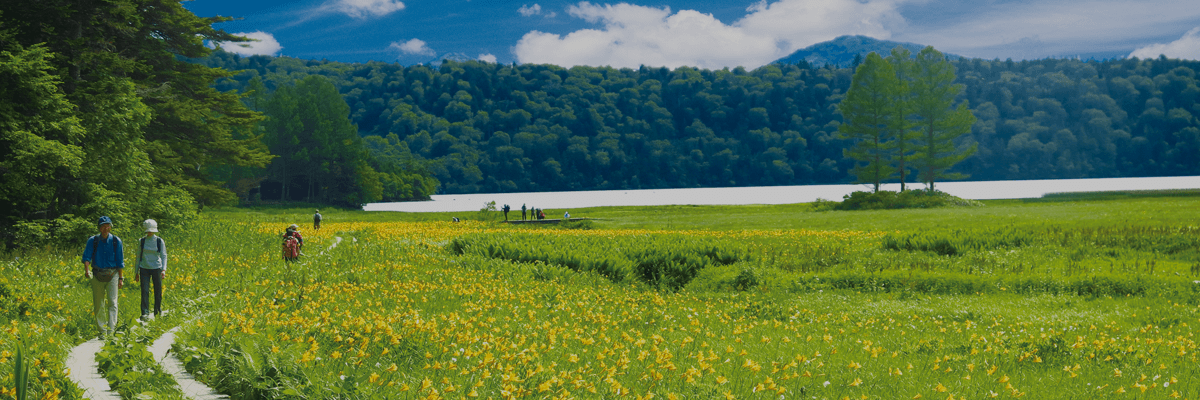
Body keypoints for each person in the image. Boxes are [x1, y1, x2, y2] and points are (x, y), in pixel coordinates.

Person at [81, 216, 124, 338]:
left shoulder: (116, 241)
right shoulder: (93, 240)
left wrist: (121, 278)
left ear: (111, 227)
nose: (106, 228)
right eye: (103, 226)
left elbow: (120, 262)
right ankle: (102, 331)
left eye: (108, 225)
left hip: (113, 274)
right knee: (98, 303)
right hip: (97, 274)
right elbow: (87, 258)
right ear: (99, 228)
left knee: (113, 302)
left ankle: (111, 330)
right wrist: (86, 270)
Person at [133, 219, 167, 319]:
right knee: (144, 290)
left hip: (157, 268)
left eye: (151, 230)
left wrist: (164, 269)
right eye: (148, 230)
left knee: (157, 290)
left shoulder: (159, 241)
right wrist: (136, 272)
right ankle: (145, 312)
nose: (150, 232)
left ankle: (158, 310)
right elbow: (138, 256)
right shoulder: (142, 241)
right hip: (144, 268)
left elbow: (164, 255)